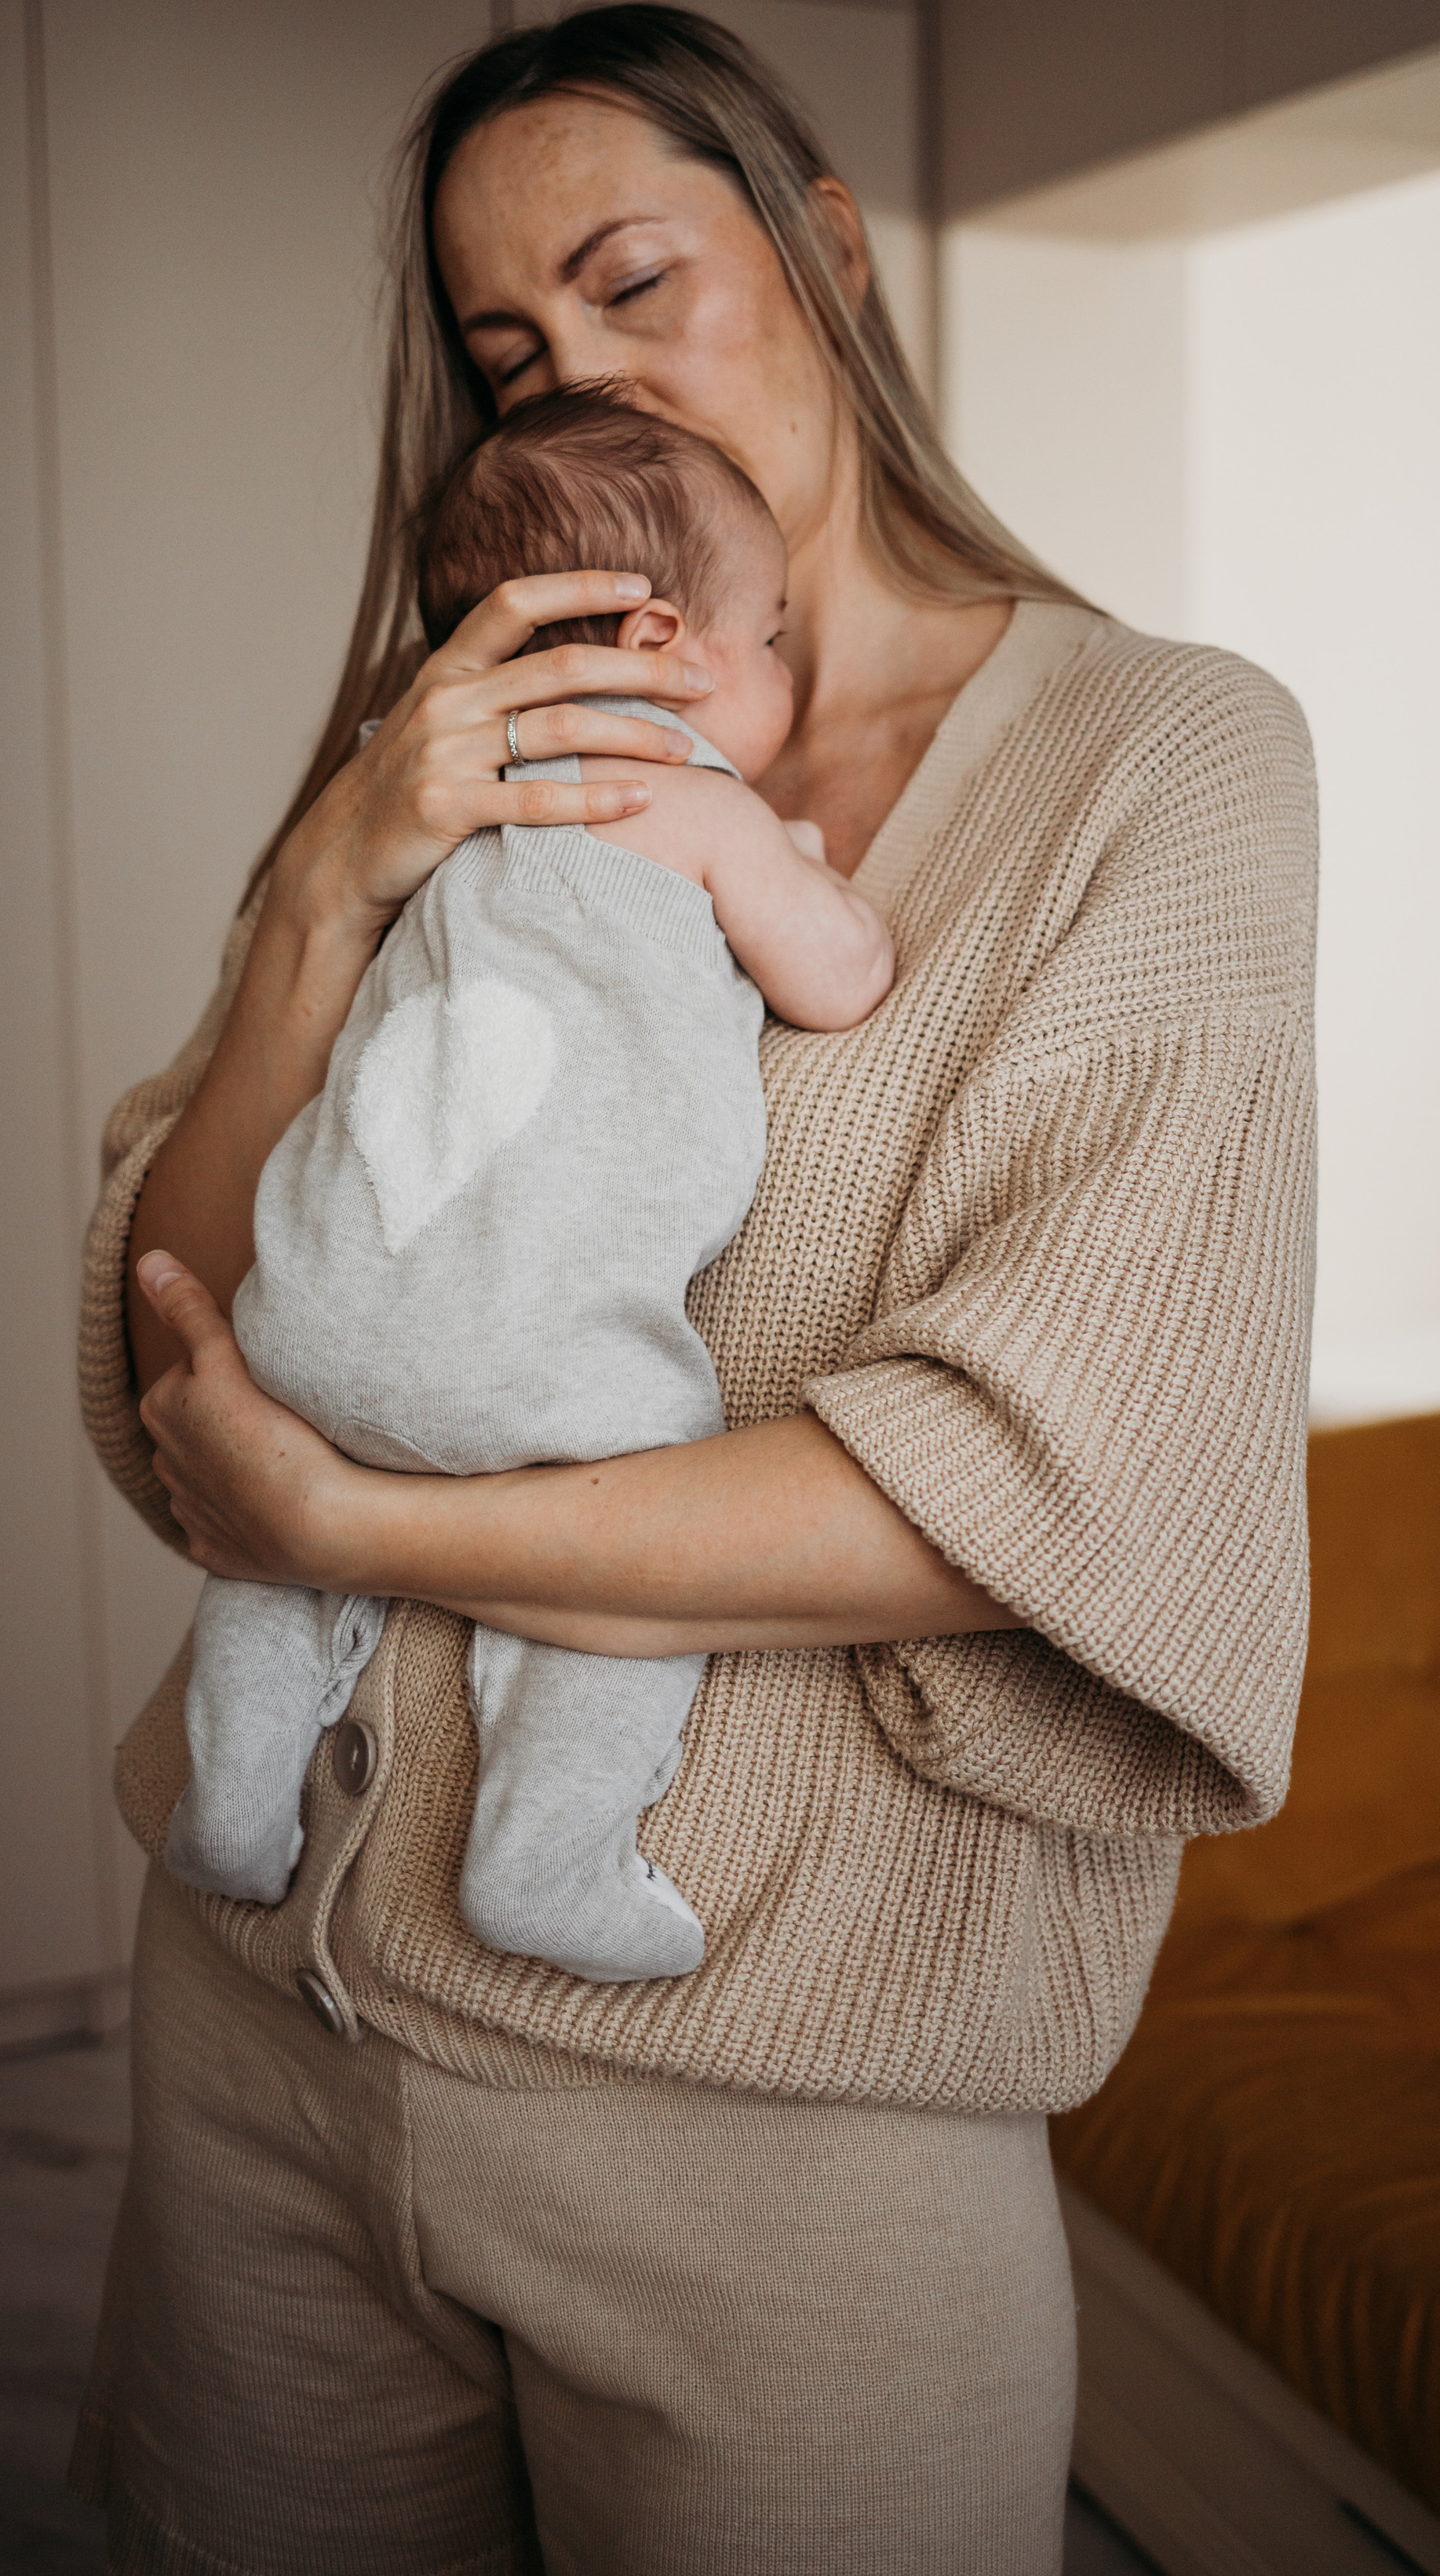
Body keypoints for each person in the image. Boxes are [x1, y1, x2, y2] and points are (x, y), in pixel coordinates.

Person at [73, 2, 1318, 2576]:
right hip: (268, 2021)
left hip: (780, 2115)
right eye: (516, 352)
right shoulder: (475, 728)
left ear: (832, 253)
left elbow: (1038, 1492)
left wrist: (359, 1526)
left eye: (641, 282)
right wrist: (327, 883)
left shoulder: (1155, 769)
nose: (588, 379)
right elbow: (172, 1331)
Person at [164, 385, 894, 1979]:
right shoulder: (692, 799)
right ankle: (549, 1856)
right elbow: (835, 979)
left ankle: (232, 1796)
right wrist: (811, 880)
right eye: (766, 636)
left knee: (278, 1555)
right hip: (545, 1368)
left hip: (311, 1319)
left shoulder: (415, 793)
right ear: (654, 638)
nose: (784, 669)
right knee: (633, 1533)